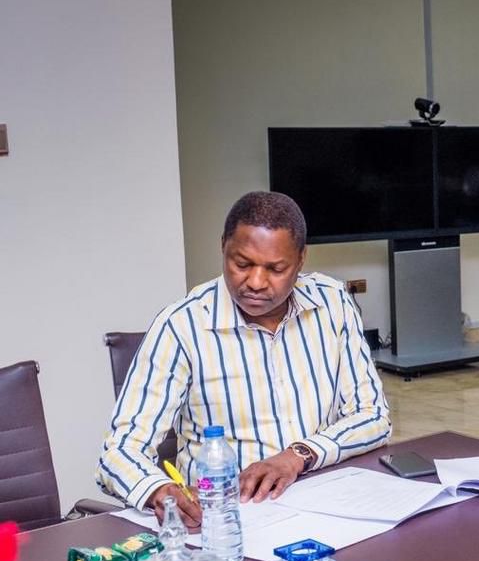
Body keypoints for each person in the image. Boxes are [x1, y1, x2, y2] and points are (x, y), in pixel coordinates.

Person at [97, 191, 391, 529]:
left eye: (276, 269)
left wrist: (298, 455)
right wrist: (157, 490)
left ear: (300, 259)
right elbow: (119, 451)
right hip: (228, 519)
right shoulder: (181, 326)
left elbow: (373, 416)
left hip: (325, 504)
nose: (256, 282)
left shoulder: (333, 302)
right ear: (223, 247)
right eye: (242, 264)